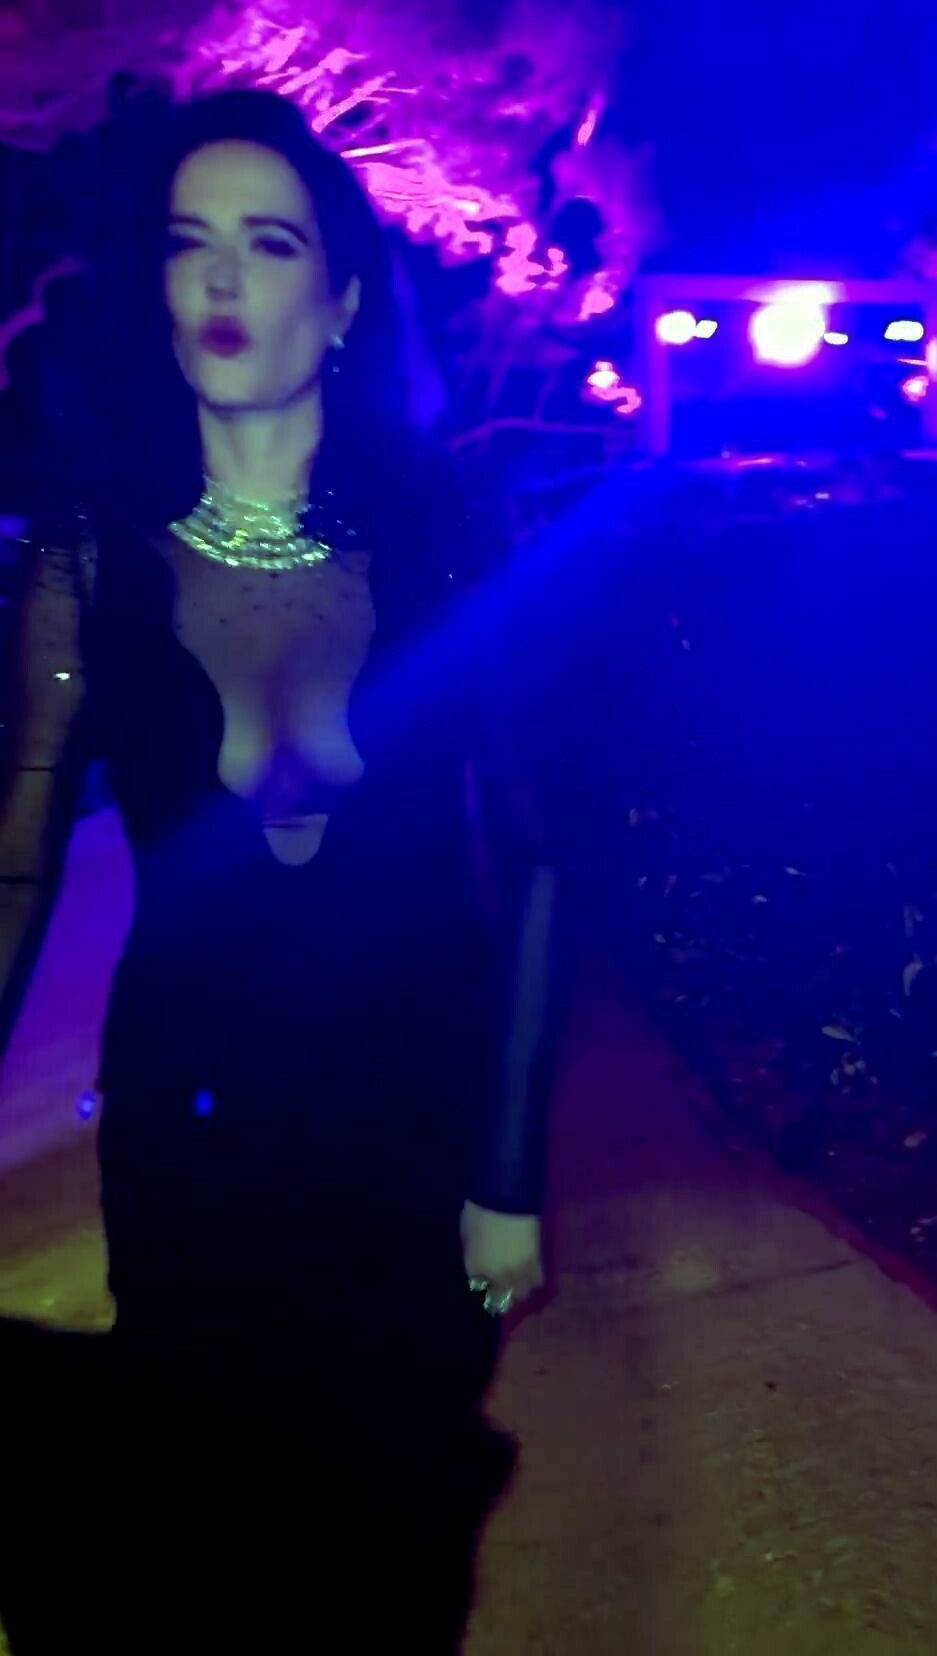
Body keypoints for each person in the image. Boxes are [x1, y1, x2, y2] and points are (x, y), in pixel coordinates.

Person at [0, 86, 566, 1652]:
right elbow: (17, 853)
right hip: (189, 1117)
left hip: (411, 1112)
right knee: (210, 1536)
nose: (222, 279)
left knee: (392, 1542)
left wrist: (508, 1172)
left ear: (345, 298)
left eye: (269, 242)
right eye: (190, 243)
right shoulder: (91, 556)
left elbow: (531, 859)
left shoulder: (443, 535)